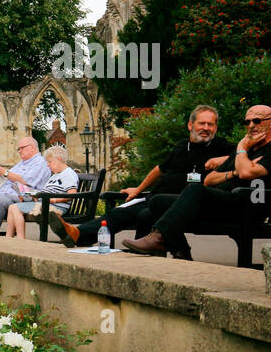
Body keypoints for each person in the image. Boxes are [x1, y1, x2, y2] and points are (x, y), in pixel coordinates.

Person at [123, 104, 271, 260]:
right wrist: (235, 171)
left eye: (257, 121)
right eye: (248, 122)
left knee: (195, 190)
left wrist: (242, 149)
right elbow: (210, 179)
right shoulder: (247, 153)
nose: (251, 126)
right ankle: (181, 252)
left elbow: (246, 173)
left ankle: (159, 238)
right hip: (225, 204)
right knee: (158, 201)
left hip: (250, 206)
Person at [47, 105, 231, 248]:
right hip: (156, 197)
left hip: (183, 204)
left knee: (143, 214)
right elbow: (159, 169)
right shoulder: (183, 146)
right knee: (120, 212)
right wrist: (138, 189)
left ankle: (84, 236)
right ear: (191, 125)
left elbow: (250, 155)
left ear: (215, 127)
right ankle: (80, 235)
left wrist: (225, 158)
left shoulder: (221, 147)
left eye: (211, 124)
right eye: (202, 123)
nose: (206, 128)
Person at [5, 145, 79, 238]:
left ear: (59, 159)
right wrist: (29, 196)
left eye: (50, 161)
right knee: (11, 207)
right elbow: (44, 193)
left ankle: (20, 240)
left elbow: (72, 195)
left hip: (54, 207)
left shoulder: (68, 174)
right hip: (45, 203)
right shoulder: (55, 175)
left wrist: (53, 200)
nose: (48, 165)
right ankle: (8, 238)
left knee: (15, 208)